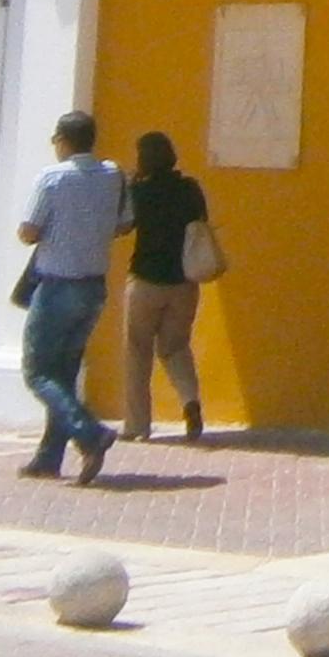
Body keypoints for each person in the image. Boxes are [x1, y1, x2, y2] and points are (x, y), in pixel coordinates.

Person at [14, 110, 124, 482]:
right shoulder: (113, 175)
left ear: (63, 140)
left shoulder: (53, 177)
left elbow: (29, 231)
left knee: (38, 372)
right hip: (93, 286)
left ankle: (90, 434)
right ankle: (49, 456)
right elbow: (124, 222)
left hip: (58, 283)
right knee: (63, 373)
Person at [116, 130, 213, 443]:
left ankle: (137, 424)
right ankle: (190, 401)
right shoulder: (189, 188)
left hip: (145, 279)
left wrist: (131, 186)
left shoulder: (140, 192)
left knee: (137, 351)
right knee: (175, 347)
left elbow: (124, 225)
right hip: (184, 282)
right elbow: (202, 219)